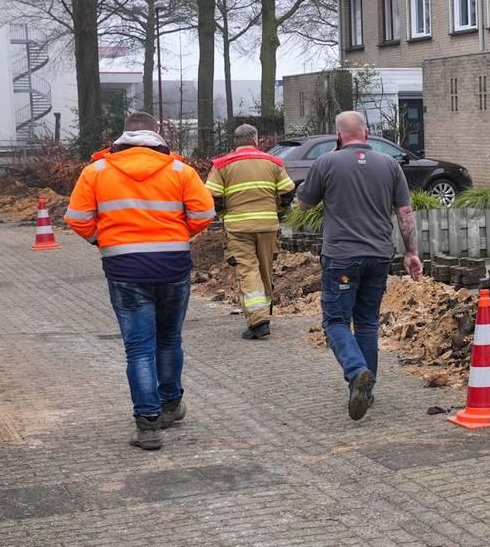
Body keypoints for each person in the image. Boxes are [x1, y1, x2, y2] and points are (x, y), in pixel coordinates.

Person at [64, 112, 215, 450]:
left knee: (138, 348)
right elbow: (205, 214)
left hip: (125, 270)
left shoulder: (96, 172)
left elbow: (76, 218)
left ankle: (148, 425)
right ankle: (171, 404)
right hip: (173, 267)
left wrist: (102, 241)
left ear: (123, 136)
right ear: (157, 135)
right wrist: (178, 236)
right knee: (169, 338)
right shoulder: (181, 171)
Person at [296, 111, 422, 421]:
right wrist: (412, 253)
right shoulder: (390, 164)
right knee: (366, 322)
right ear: (366, 132)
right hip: (379, 256)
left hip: (341, 257)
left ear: (339, 135)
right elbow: (405, 213)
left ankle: (356, 372)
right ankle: (367, 389)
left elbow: (303, 203)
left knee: (337, 321)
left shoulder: (326, 162)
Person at [204, 124, 295, 340]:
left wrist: (224, 212)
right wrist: (277, 209)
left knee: (247, 271)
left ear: (235, 142)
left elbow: (212, 196)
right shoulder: (273, 162)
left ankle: (258, 320)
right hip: (268, 226)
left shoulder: (222, 164)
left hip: (238, 228)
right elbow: (288, 191)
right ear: (256, 141)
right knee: (265, 270)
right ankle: (264, 312)